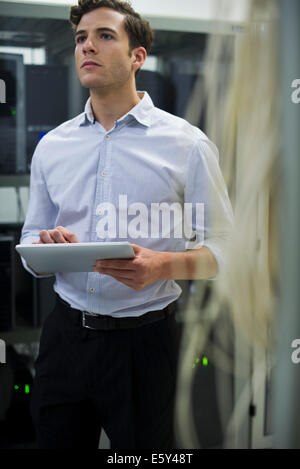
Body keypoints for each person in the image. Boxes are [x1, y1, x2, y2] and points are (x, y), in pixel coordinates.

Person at [20, 0, 234, 449]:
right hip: (65, 339)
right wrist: (47, 250)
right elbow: (29, 242)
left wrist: (162, 266)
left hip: (145, 345)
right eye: (81, 38)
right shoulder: (52, 146)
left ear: (137, 56)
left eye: (104, 36)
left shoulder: (186, 145)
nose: (87, 47)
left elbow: (225, 250)